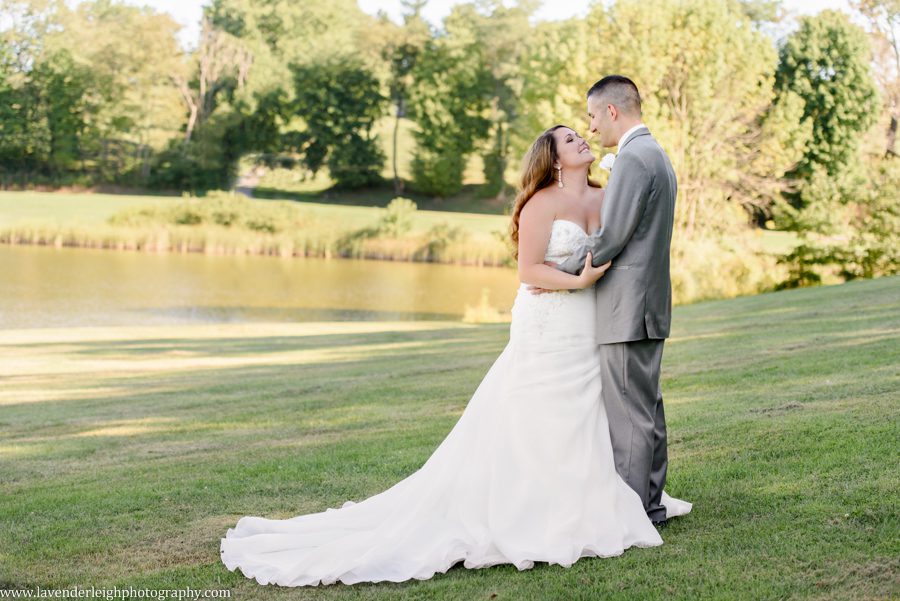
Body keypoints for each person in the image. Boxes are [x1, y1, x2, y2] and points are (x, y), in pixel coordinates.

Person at [219, 123, 691, 588]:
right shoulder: (542, 203)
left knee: (587, 410)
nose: (582, 139)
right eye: (570, 139)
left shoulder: (606, 195)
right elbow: (529, 271)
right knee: (541, 411)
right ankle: (533, 508)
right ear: (552, 160)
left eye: (580, 134)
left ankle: (592, 499)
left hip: (591, 320)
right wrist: (578, 280)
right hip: (550, 320)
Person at [540, 75, 678, 525]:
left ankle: (634, 514)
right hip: (647, 303)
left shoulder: (634, 159)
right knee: (647, 409)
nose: (592, 127)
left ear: (611, 111)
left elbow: (612, 236)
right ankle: (650, 506)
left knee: (630, 416)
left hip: (627, 306)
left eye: (593, 116)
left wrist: (559, 271)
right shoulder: (655, 153)